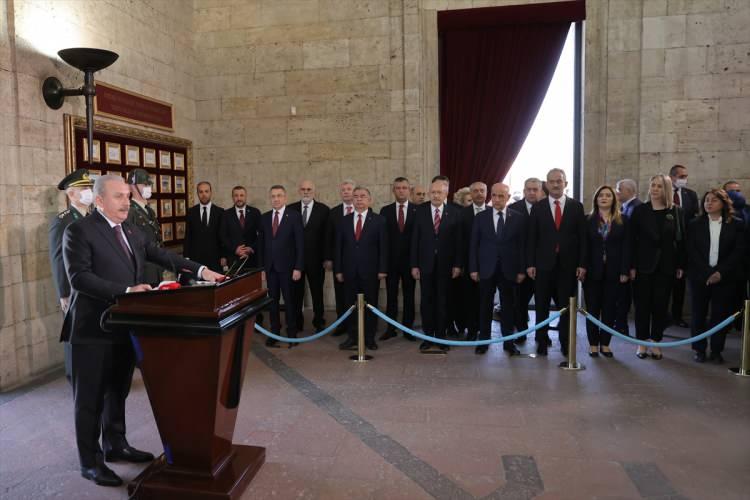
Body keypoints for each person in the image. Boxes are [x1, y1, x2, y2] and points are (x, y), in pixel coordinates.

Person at [62, 175, 223, 487]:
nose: (126, 202)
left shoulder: (131, 229)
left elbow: (161, 254)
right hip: (91, 331)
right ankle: (90, 462)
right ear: (99, 201)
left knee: (117, 390)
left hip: (123, 326)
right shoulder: (78, 231)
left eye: (127, 195)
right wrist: (127, 290)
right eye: (119, 197)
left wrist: (201, 270)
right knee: (90, 398)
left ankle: (116, 444)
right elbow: (80, 278)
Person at [526, 168, 587, 357]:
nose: (555, 184)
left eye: (559, 181)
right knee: (542, 306)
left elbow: (583, 238)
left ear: (565, 184)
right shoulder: (538, 207)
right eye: (551, 181)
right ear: (546, 184)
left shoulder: (576, 207)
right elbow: (532, 238)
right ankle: (542, 342)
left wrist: (582, 264)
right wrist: (530, 264)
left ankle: (566, 343)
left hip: (568, 267)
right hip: (543, 266)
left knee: (566, 308)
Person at [628, 174, 685, 360]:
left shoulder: (675, 211)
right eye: (652, 185)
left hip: (666, 266)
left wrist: (680, 264)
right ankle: (642, 343)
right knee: (642, 305)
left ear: (666, 189)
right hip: (643, 265)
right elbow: (632, 241)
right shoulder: (640, 210)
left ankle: (655, 342)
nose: (654, 189)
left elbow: (681, 240)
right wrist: (632, 265)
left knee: (660, 306)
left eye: (659, 186)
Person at [687, 189, 746, 364]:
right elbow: (691, 251)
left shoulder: (737, 224)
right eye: (706, 200)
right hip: (700, 276)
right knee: (698, 314)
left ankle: (716, 350)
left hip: (725, 277)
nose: (709, 203)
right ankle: (699, 349)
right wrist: (707, 272)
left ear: (723, 203)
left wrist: (720, 272)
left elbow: (738, 251)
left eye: (713, 200)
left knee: (720, 315)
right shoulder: (694, 224)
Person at [469, 183, 526, 356]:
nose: (497, 199)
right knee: (484, 305)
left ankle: (508, 343)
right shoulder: (481, 217)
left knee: (508, 307)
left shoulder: (518, 218)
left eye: (501, 196)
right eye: (494, 195)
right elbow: (474, 245)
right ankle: (484, 341)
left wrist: (521, 270)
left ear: (508, 198)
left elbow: (522, 247)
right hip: (486, 268)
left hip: (509, 270)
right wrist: (473, 268)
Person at [48, 168, 94, 381]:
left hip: (92, 285)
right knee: (73, 332)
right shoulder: (63, 220)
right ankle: (73, 374)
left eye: (89, 188)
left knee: (90, 332)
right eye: (83, 188)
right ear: (71, 194)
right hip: (74, 288)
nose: (88, 192)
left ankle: (90, 373)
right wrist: (64, 293)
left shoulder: (93, 217)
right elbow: (58, 260)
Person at [411, 178, 463, 351]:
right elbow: (415, 241)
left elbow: (458, 242)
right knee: (426, 301)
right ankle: (427, 336)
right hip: (425, 265)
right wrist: (414, 265)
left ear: (446, 193)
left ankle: (441, 337)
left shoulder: (455, 213)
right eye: (432, 192)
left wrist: (457, 265)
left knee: (443, 301)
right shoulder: (419, 211)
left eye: (439, 192)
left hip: (446, 266)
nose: (435, 195)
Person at [335, 187, 388, 351]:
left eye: (363, 196)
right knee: (350, 305)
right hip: (349, 271)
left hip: (371, 272)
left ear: (369, 200)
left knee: (370, 305)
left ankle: (370, 338)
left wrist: (382, 269)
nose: (359, 199)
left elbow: (384, 248)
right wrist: (338, 270)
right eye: (356, 196)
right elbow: (338, 248)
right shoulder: (344, 221)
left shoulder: (379, 220)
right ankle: (352, 337)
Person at [582, 185, 630, 358]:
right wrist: (582, 267)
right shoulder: (587, 220)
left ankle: (606, 344)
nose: (604, 198)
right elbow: (583, 247)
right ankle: (593, 344)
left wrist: (625, 270)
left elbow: (627, 247)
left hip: (614, 271)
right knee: (593, 308)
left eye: (608, 195)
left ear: (613, 199)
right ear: (596, 199)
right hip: (592, 272)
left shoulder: (623, 220)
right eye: (600, 195)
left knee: (610, 309)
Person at [258, 185, 304, 348]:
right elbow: (261, 245)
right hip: (270, 269)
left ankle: (292, 334)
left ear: (285, 198)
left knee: (290, 301)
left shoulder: (294, 217)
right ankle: (274, 333)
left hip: (289, 268)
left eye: (279, 196)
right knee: (273, 302)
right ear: (270, 198)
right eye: (273, 196)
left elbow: (300, 244)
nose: (276, 199)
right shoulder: (264, 218)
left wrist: (298, 267)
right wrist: (262, 268)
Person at [288, 180, 329, 333]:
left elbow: (327, 236)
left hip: (316, 261)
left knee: (317, 293)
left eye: (309, 189)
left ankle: (319, 321)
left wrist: (326, 258)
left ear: (314, 191)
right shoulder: (290, 209)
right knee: (296, 294)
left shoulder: (324, 210)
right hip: (295, 261)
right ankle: (297, 322)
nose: (306, 192)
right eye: (303, 189)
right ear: (299, 191)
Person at [380, 177, 418, 342]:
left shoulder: (418, 210)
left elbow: (419, 239)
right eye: (398, 188)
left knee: (409, 296)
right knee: (391, 295)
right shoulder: (385, 211)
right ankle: (391, 328)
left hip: (411, 262)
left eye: (404, 188)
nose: (401, 190)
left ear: (409, 190)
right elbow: (382, 239)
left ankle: (408, 329)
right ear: (393, 190)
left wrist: (416, 262)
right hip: (391, 263)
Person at [508, 177, 543, 339]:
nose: (531, 192)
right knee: (519, 302)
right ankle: (521, 332)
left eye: (535, 189)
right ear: (523, 191)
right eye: (528, 189)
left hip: (543, 265)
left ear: (541, 191)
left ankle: (542, 335)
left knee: (542, 304)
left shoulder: (546, 208)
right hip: (520, 265)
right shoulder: (513, 209)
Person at [324, 179, 356, 336]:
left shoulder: (366, 211)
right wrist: (329, 258)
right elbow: (328, 238)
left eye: (349, 189)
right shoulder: (334, 212)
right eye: (343, 190)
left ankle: (360, 323)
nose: (346, 192)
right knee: (341, 294)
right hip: (339, 260)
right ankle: (341, 324)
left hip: (359, 261)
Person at [458, 181, 488, 341]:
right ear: (471, 192)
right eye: (475, 191)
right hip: (468, 265)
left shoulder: (492, 212)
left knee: (486, 299)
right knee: (469, 299)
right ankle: (471, 330)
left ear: (486, 192)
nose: (479, 194)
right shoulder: (462, 214)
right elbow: (460, 242)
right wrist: (461, 265)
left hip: (489, 265)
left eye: (482, 191)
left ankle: (484, 331)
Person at [668, 164, 698, 328]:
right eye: (681, 176)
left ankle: (677, 316)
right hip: (666, 244)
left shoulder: (690, 194)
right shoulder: (664, 193)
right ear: (672, 177)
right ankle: (662, 315)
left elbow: (694, 217)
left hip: (684, 244)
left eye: (685, 176)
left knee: (680, 283)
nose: (684, 179)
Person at [614, 178, 642, 336]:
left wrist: (631, 266)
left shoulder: (636, 208)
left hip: (630, 263)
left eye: (619, 189)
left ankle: (622, 325)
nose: (616, 192)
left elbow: (633, 240)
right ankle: (620, 323)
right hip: (623, 261)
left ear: (629, 191)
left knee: (625, 297)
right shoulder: (625, 208)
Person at [125, 168, 162, 284]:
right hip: (142, 272)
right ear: (132, 186)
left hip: (155, 269)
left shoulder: (149, 211)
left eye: (148, 184)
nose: (148, 188)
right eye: (144, 184)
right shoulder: (129, 212)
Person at [184, 181, 224, 272]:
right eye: (201, 192)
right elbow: (188, 236)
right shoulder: (191, 212)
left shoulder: (220, 212)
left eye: (206, 191)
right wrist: (186, 257)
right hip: (196, 259)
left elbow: (222, 237)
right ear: (197, 193)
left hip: (215, 259)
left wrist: (224, 256)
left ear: (211, 192)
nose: (204, 194)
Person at [221, 185, 261, 269]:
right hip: (233, 260)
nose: (239, 198)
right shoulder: (225, 214)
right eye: (236, 195)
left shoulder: (255, 212)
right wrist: (235, 249)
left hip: (252, 260)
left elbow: (261, 234)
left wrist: (251, 248)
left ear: (246, 196)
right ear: (232, 197)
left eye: (241, 195)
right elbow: (223, 236)